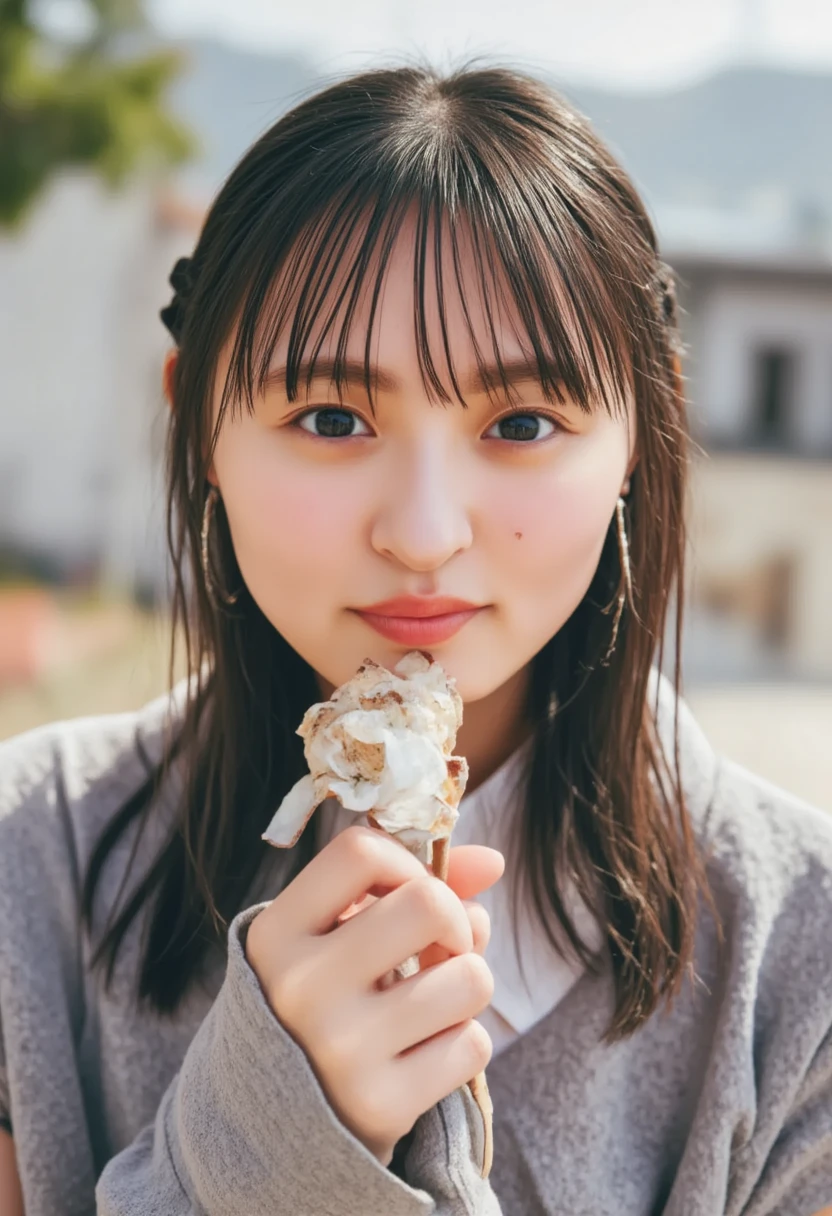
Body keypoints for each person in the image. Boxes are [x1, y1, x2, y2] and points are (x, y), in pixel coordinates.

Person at [0, 64, 830, 1216]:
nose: (425, 533)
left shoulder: (802, 962)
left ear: (642, 433)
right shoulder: (21, 875)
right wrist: (253, 1151)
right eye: (331, 418)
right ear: (198, 424)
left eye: (523, 422)